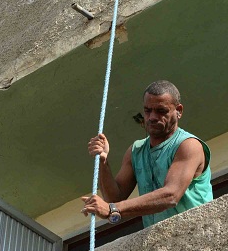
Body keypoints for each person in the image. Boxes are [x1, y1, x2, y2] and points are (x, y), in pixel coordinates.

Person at [82, 80, 212, 228]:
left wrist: (113, 209)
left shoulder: (188, 145)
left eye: (161, 111)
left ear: (179, 111)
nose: (152, 117)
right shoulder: (136, 151)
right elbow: (114, 198)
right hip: (159, 237)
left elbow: (171, 195)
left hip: (196, 231)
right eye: (147, 110)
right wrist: (103, 161)